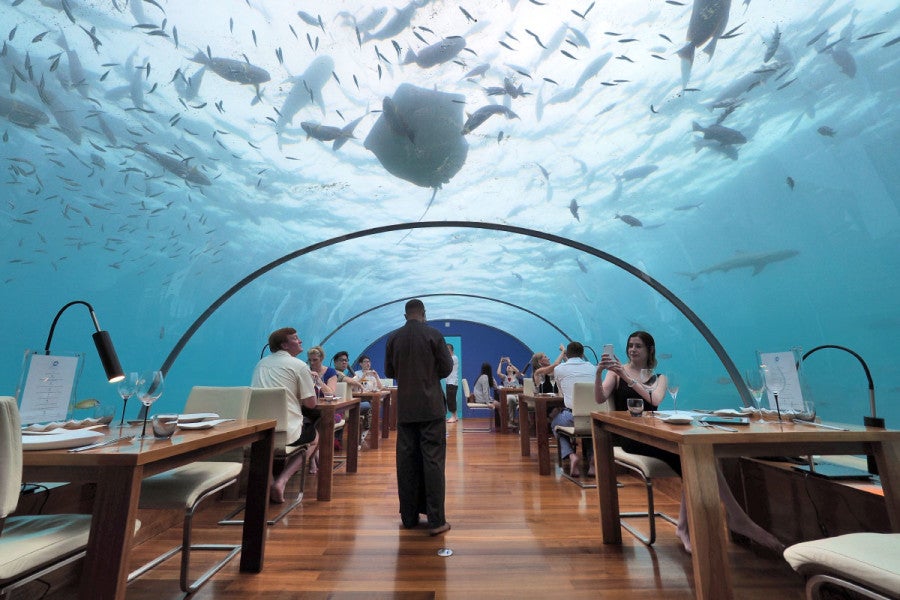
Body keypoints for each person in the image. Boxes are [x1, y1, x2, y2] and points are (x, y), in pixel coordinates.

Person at [596, 330, 784, 554]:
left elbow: (653, 400)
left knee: (694, 456)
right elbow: (600, 398)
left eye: (638, 346)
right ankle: (735, 518)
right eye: (630, 346)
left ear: (649, 351)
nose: (632, 350)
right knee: (693, 457)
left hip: (656, 433)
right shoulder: (616, 374)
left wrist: (630, 379)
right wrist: (599, 373)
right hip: (631, 435)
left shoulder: (660, 378)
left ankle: (691, 527)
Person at [384, 299, 454, 536]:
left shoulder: (393, 337)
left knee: (406, 462)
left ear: (405, 316)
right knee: (433, 461)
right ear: (424, 314)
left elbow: (389, 372)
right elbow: (446, 369)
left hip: (405, 408)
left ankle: (409, 517)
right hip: (431, 407)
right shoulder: (434, 334)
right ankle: (436, 521)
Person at [251, 327, 320, 504]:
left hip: (259, 434)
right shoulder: (299, 366)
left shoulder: (261, 364)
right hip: (287, 433)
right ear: (284, 345)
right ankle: (281, 481)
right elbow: (310, 404)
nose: (300, 341)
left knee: (263, 449)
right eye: (296, 338)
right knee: (314, 437)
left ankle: (270, 481)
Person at [549, 342, 596, 477]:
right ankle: (592, 458)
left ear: (566, 354)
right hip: (593, 417)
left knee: (555, 424)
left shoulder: (559, 369)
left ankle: (571, 455)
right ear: (582, 354)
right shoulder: (593, 368)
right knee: (588, 431)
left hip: (571, 416)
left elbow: (561, 392)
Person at [496, 357, 524, 427]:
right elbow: (498, 373)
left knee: (521, 399)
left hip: (518, 394)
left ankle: (524, 422)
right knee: (511, 399)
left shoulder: (516, 376)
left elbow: (518, 371)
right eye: (507, 367)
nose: (508, 367)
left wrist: (509, 363)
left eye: (510, 367)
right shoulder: (505, 377)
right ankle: (511, 421)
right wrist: (500, 363)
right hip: (509, 395)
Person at [444, 344, 459, 423]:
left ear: (451, 350)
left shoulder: (454, 358)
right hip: (450, 382)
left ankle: (453, 416)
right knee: (451, 399)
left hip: (452, 382)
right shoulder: (451, 358)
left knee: (451, 400)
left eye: (448, 350)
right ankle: (455, 416)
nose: (446, 351)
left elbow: (445, 364)